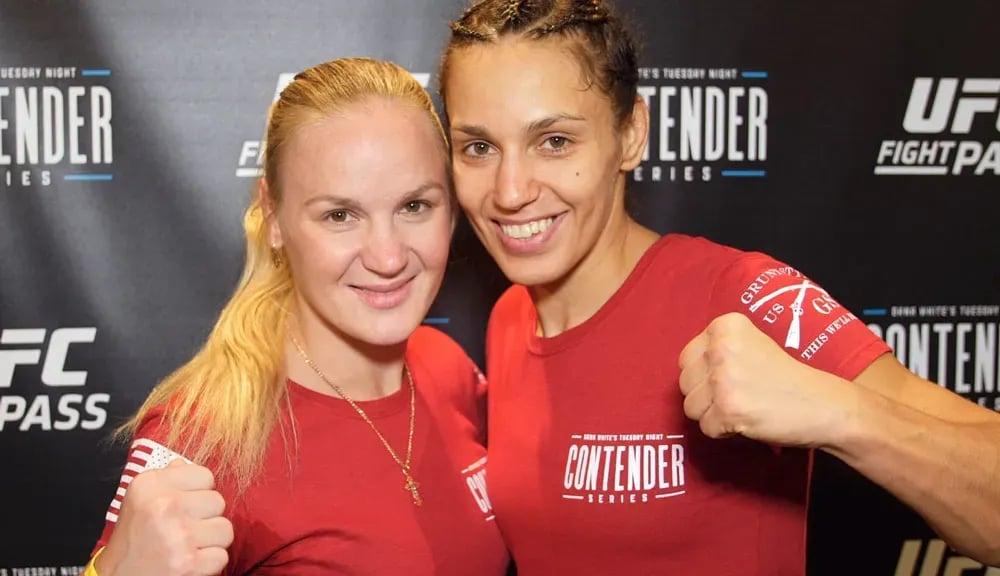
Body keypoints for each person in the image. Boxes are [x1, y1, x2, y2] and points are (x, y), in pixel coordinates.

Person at [438, 0, 1000, 573]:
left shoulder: (740, 296)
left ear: (631, 133)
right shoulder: (509, 318)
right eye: (478, 148)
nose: (509, 191)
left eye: (554, 141)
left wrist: (840, 413)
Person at [85, 57, 508, 576]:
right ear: (274, 218)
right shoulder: (205, 436)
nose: (388, 256)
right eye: (340, 215)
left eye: (414, 206)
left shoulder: (449, 369)